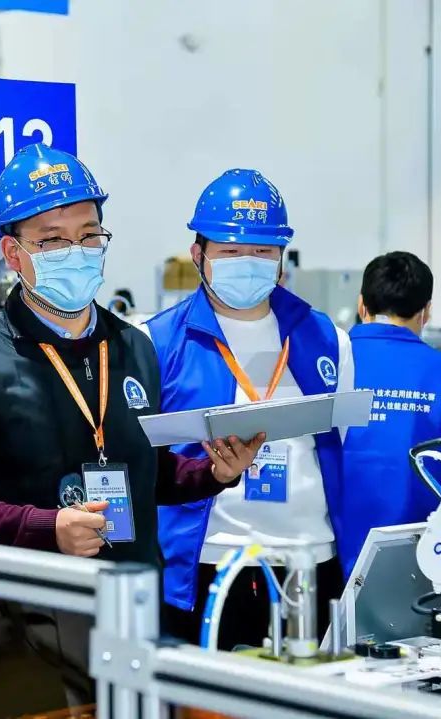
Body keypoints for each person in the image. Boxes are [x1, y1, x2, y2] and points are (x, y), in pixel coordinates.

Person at [0, 144, 263, 564]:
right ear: (13, 254)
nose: (76, 251)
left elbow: (147, 472)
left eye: (89, 235)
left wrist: (214, 473)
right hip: (36, 593)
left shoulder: (133, 346)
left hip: (132, 588)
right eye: (53, 239)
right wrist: (46, 527)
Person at [146, 169, 353, 650]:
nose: (248, 262)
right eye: (230, 251)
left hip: (310, 560)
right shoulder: (159, 342)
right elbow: (146, 460)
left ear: (281, 258)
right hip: (208, 562)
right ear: (198, 254)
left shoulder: (326, 338)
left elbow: (338, 444)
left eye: (263, 251)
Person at [339, 251, 441, 577]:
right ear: (426, 312)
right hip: (423, 565)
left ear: (361, 305)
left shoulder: (321, 368)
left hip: (322, 562)